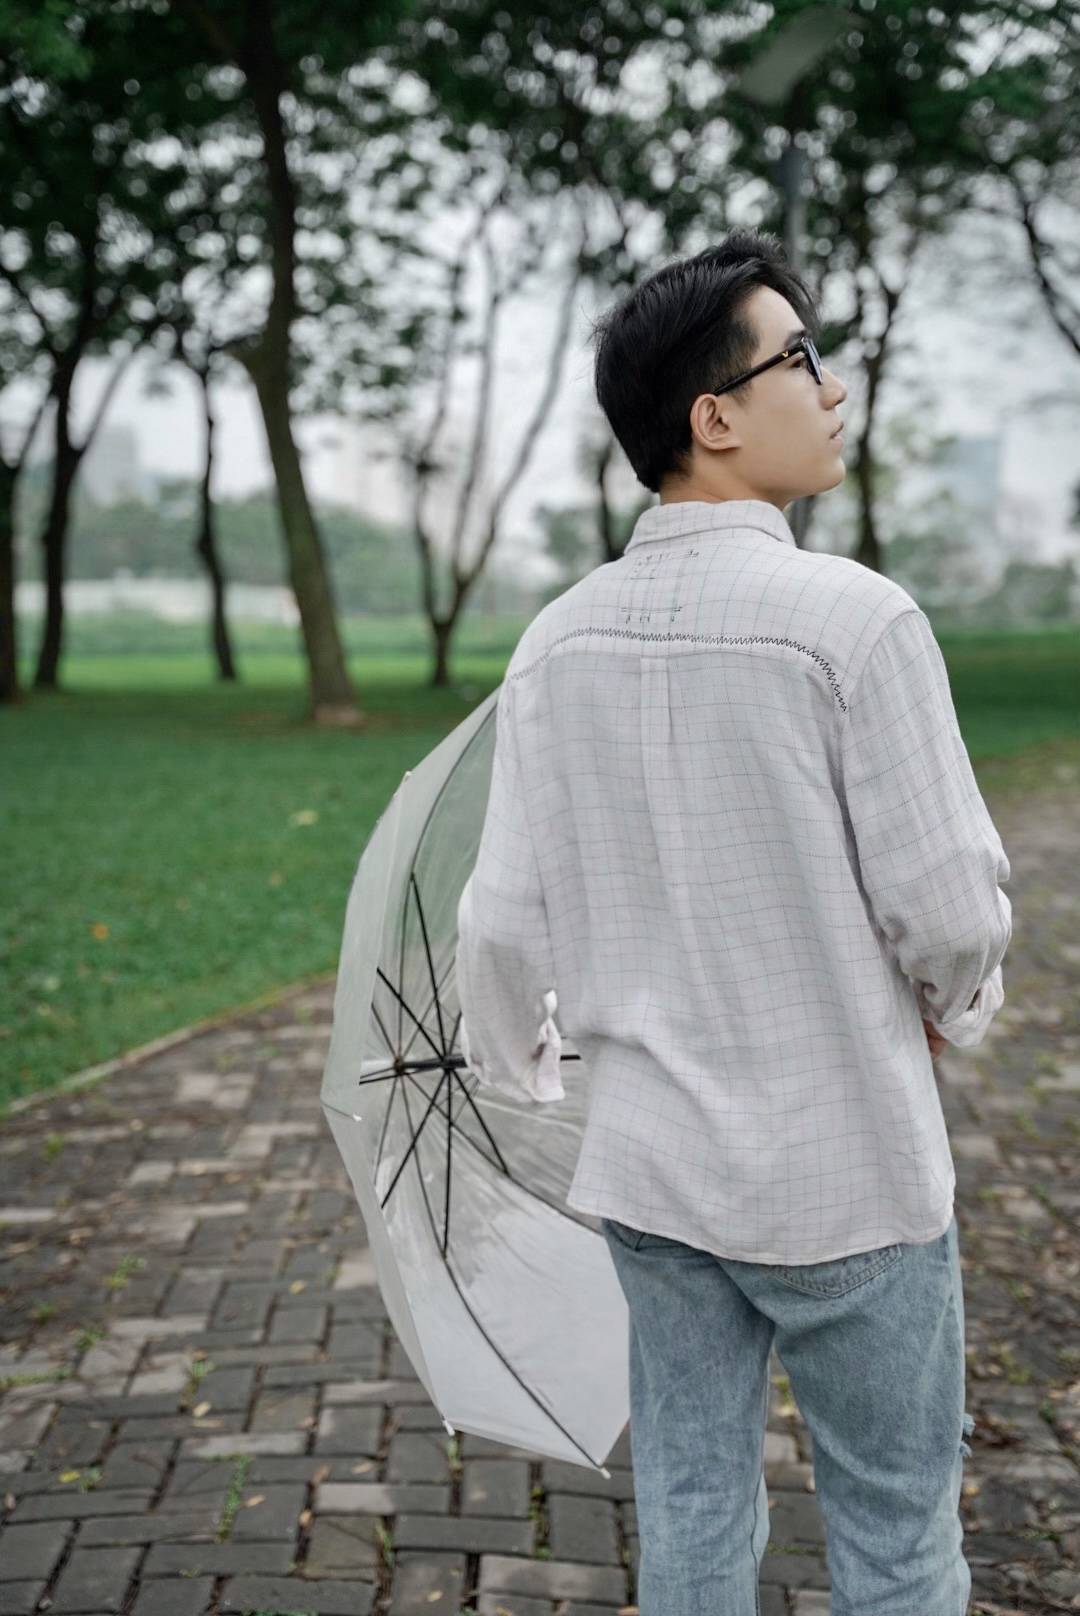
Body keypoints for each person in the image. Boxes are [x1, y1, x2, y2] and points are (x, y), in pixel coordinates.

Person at [454, 229, 1010, 1616]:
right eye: (802, 358)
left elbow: (501, 923)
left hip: (651, 1177)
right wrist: (953, 1014)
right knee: (897, 1537)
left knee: (693, 1511)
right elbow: (949, 910)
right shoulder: (856, 623)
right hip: (847, 1173)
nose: (832, 387)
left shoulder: (555, 640)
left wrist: (524, 1078)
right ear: (714, 418)